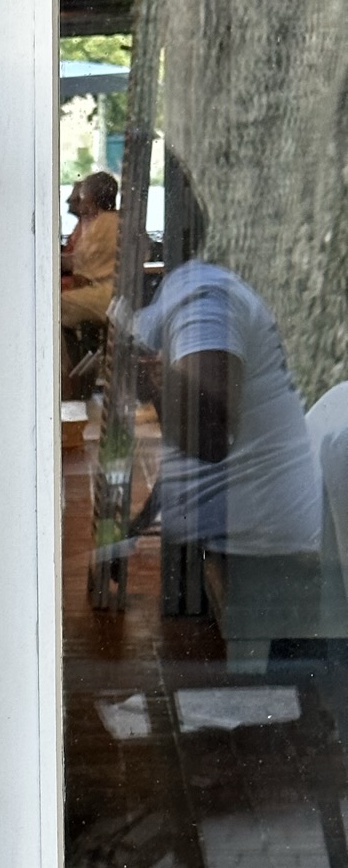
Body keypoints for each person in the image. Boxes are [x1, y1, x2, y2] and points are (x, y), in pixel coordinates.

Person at [135, 255, 321, 635]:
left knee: (260, 656)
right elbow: (187, 458)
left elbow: (210, 439)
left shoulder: (201, 299)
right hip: (262, 533)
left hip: (265, 543)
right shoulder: (194, 308)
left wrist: (157, 385)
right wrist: (133, 530)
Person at [61, 170, 121, 326]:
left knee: (54, 304)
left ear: (90, 197)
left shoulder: (101, 225)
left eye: (82, 195)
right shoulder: (116, 221)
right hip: (115, 294)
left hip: (105, 295)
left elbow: (82, 272)